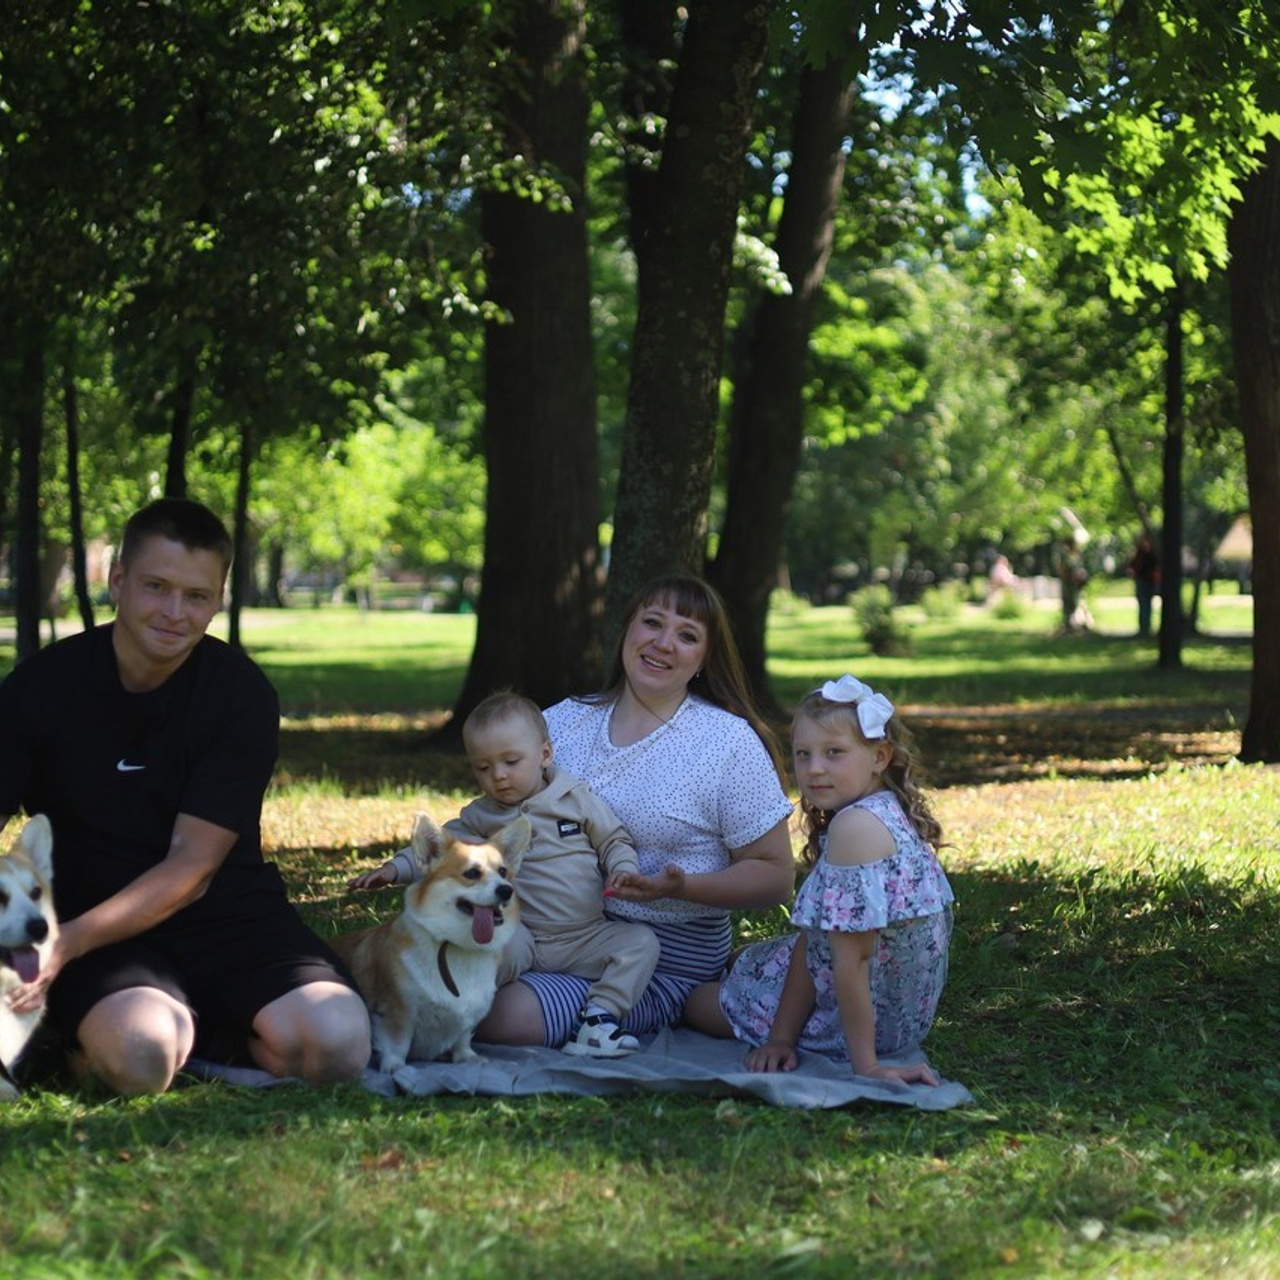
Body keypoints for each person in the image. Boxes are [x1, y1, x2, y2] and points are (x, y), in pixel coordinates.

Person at [0, 498, 370, 1095]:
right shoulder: (41, 688)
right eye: (156, 587)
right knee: (142, 1055)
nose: (174, 613)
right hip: (97, 923)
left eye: (196, 596)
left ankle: (200, 1028)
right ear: (117, 580)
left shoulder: (240, 695)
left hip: (228, 913)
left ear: (219, 598)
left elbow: (193, 868)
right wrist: (54, 941)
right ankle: (89, 1037)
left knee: (339, 1044)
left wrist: (63, 945)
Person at [473, 574, 796, 1049]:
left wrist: (684, 887)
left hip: (660, 956)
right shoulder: (561, 721)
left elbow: (776, 877)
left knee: (504, 1017)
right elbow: (497, 812)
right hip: (547, 930)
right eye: (652, 623)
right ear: (626, 629)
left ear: (704, 657)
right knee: (438, 976)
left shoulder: (726, 743)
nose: (663, 643)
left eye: (687, 635)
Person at [349, 690, 660, 1056]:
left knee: (641, 943)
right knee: (483, 949)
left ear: (544, 754)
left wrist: (623, 869)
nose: (498, 776)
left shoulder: (574, 799)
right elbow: (441, 852)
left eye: (511, 761)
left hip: (583, 934)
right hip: (519, 933)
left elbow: (614, 840)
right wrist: (394, 868)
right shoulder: (482, 817)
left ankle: (598, 1020)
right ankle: (452, 1020)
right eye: (483, 767)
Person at [685, 675, 954, 1086]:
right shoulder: (887, 810)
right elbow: (821, 942)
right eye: (803, 754)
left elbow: (852, 962)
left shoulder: (855, 830)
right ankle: (753, 984)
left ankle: (765, 1009)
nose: (814, 769)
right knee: (739, 960)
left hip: (860, 1025)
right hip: (903, 1015)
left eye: (834, 753)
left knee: (693, 1002)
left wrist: (861, 1065)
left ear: (879, 756)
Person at [1128, 533, 1160, 638]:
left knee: (1147, 606)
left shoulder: (1151, 555)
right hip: (1141, 581)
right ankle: (1143, 628)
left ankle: (1146, 628)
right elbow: (1133, 565)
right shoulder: (1139, 554)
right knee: (1142, 605)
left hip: (1148, 582)